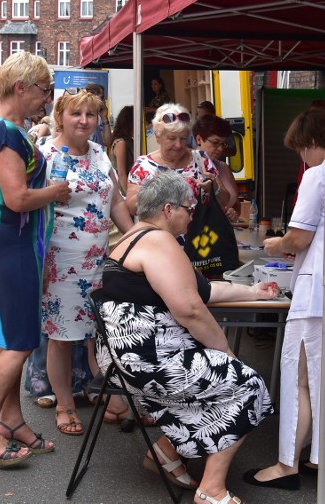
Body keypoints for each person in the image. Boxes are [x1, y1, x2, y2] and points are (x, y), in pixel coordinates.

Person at [95, 170, 277, 504]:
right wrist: (226, 354)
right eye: (188, 209)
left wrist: (253, 290)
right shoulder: (159, 241)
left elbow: (203, 290)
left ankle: (164, 454)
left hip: (123, 360)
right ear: (168, 209)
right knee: (248, 385)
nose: (193, 215)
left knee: (222, 377)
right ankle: (211, 489)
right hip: (148, 363)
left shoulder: (135, 238)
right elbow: (190, 309)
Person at [244, 109, 325, 491]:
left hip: (321, 292)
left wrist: (275, 243)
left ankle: (287, 463)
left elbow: (298, 238)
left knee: (302, 378)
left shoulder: (319, 175)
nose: (301, 158)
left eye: (301, 150)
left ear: (310, 143)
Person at [0, 51, 71, 469]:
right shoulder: (6, 132)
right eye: (44, 90)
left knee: (12, 337)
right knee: (19, 341)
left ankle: (9, 421)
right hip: (14, 239)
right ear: (21, 87)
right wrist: (57, 192)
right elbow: (17, 197)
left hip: (13, 239)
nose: (47, 100)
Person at [36, 89, 134, 435]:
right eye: (76, 113)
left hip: (98, 261)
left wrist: (137, 239)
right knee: (62, 337)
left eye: (90, 115)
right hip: (60, 262)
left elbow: (117, 202)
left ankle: (104, 394)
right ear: (60, 115)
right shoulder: (44, 154)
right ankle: (63, 404)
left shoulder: (99, 154)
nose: (84, 121)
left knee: (100, 333)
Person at [126, 103, 229, 217]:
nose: (178, 145)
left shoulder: (200, 159)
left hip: (200, 234)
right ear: (157, 136)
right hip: (161, 234)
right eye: (172, 138)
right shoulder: (144, 165)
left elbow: (225, 201)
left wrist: (214, 187)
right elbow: (132, 207)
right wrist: (159, 189)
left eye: (183, 138)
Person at [193, 114, 240, 222]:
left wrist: (233, 213)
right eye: (215, 143)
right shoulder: (187, 168)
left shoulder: (224, 168)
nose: (220, 149)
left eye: (223, 144)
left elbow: (236, 204)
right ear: (199, 139)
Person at [109, 105, 134, 194]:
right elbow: (122, 174)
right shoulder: (121, 143)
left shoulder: (130, 140)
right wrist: (129, 195)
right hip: (123, 190)